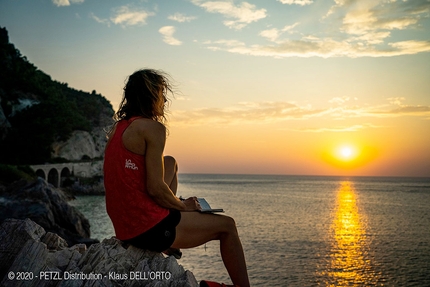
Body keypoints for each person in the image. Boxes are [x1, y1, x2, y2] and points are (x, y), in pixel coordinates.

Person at [103, 69, 250, 287]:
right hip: (145, 230)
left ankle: (168, 240)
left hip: (123, 227)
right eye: (162, 93)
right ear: (153, 95)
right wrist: (184, 205)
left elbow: (142, 177)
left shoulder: (118, 128)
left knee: (169, 162)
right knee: (228, 226)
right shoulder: (153, 128)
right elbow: (155, 188)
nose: (165, 99)